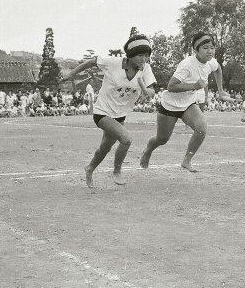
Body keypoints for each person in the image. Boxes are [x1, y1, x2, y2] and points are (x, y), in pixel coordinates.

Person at [62, 34, 156, 187]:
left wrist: (147, 91)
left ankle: (90, 168)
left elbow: (152, 90)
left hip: (120, 115)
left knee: (104, 148)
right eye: (140, 55)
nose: (143, 59)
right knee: (126, 139)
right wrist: (72, 74)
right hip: (102, 112)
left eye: (146, 55)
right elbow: (92, 62)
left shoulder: (146, 69)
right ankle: (117, 171)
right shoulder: (114, 63)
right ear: (131, 55)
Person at [139, 32, 231, 173]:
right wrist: (194, 86)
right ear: (196, 50)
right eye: (205, 48)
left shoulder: (211, 61)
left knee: (201, 128)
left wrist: (220, 90)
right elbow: (171, 86)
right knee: (162, 139)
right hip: (170, 105)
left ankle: (186, 160)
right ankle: (148, 150)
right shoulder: (187, 65)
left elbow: (218, 69)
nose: (210, 51)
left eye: (212, 47)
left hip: (188, 104)